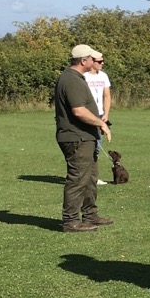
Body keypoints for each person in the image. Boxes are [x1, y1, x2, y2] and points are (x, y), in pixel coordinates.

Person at [54, 44, 113, 232]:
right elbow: (79, 111)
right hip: (76, 137)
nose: (94, 62)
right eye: (91, 58)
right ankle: (70, 220)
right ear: (83, 61)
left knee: (90, 177)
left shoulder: (76, 78)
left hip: (85, 137)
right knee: (78, 178)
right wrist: (101, 123)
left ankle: (90, 215)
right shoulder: (71, 80)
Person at [84, 53, 112, 182]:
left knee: (97, 145)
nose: (102, 64)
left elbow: (106, 95)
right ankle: (83, 174)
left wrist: (106, 113)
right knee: (85, 145)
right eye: (99, 62)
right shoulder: (84, 76)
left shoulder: (103, 76)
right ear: (92, 62)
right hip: (87, 114)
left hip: (100, 114)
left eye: (102, 61)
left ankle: (94, 176)